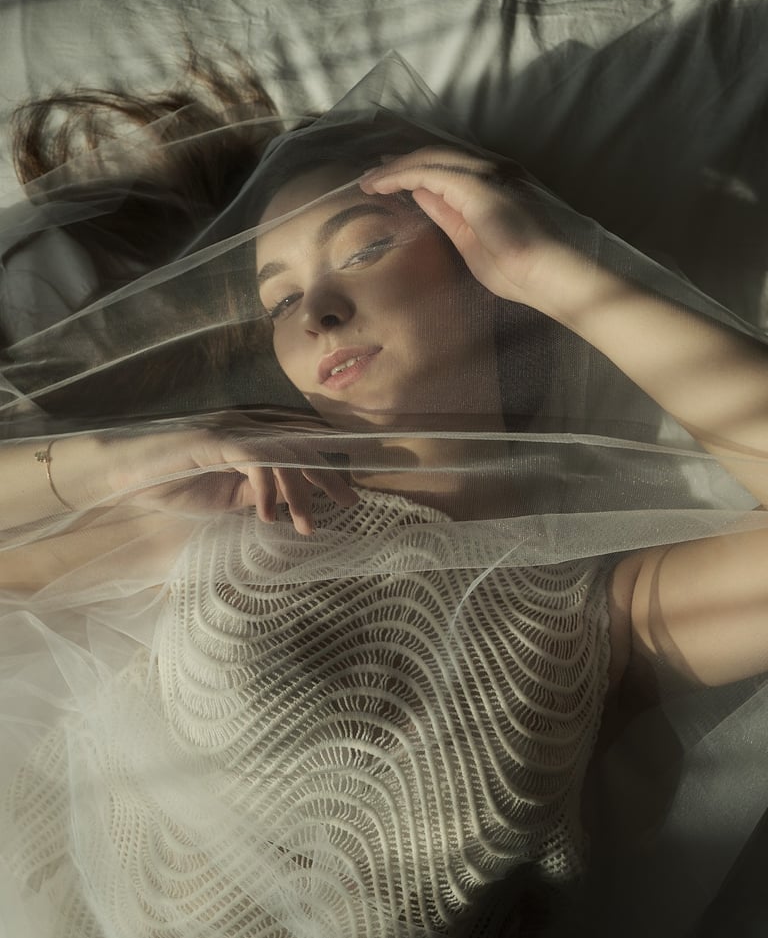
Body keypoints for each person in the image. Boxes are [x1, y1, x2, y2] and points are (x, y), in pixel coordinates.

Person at [1, 55, 767, 937]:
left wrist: (554, 274)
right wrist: (113, 463)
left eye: (365, 248)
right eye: (278, 300)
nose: (316, 311)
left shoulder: (597, 618)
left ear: (485, 273)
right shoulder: (234, 510)